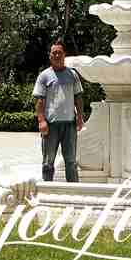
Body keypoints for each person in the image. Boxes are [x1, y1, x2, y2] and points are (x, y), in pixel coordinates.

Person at [33, 41, 84, 182]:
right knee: (48, 162)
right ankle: (47, 192)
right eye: (54, 53)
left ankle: (74, 191)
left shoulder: (72, 75)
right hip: (51, 125)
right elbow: (39, 101)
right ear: (50, 56)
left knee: (71, 162)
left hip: (70, 125)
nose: (56, 55)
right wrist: (41, 121)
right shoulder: (44, 76)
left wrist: (80, 117)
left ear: (64, 55)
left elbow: (78, 97)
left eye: (59, 53)